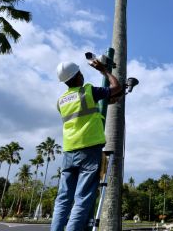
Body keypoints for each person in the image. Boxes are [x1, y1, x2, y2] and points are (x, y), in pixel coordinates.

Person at [51, 60, 121, 231]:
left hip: (69, 152)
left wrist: (109, 100)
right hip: (89, 150)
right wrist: (104, 71)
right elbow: (116, 87)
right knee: (82, 198)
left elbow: (86, 108)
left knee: (63, 199)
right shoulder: (88, 90)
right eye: (81, 73)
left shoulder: (60, 101)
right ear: (77, 76)